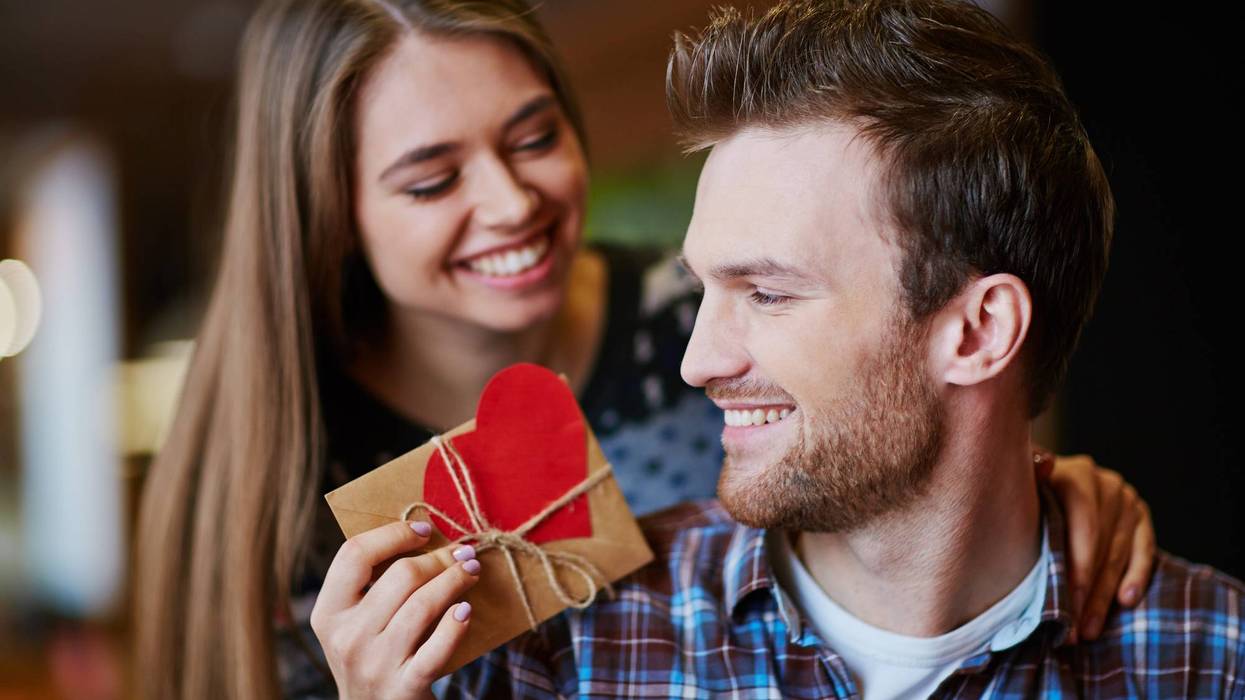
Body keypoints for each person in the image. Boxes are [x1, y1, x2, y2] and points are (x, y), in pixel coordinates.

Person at [133, 1, 1158, 698]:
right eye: (431, 179)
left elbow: (907, 439)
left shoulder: (692, 312)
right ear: (328, 215)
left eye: (533, 136)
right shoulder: (279, 466)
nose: (510, 200)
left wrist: (1026, 506)